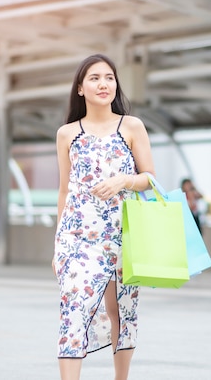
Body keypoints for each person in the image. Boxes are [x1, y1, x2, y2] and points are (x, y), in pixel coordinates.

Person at [53, 54, 155, 380]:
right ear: (80, 88)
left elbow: (150, 178)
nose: (103, 83)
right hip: (78, 237)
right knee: (72, 310)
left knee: (120, 311)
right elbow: (63, 190)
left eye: (109, 77)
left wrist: (124, 180)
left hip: (123, 234)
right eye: (95, 78)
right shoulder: (67, 134)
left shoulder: (131, 126)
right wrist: (58, 244)